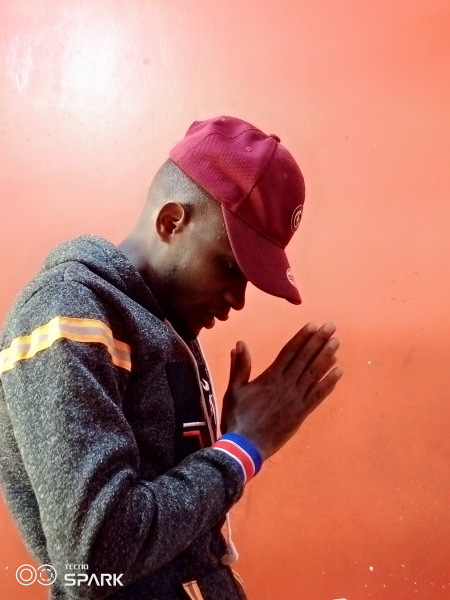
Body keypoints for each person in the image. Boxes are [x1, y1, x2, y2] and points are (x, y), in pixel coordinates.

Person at [0, 116, 342, 599]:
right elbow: (94, 557)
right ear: (172, 222)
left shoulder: (163, 320)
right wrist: (242, 448)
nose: (238, 298)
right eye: (231, 266)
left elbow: (175, 540)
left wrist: (225, 446)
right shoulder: (67, 310)